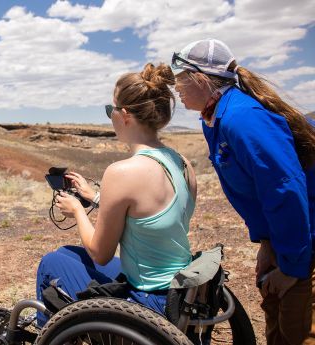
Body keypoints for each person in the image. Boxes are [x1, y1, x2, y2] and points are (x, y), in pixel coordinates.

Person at [171, 38, 315, 345]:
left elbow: (284, 190)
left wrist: (292, 266)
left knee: (299, 330)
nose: (176, 87)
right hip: (289, 240)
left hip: (305, 240)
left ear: (200, 79)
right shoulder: (216, 118)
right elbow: (259, 193)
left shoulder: (242, 118)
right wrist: (266, 244)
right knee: (277, 324)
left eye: (181, 79)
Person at [35, 63, 198, 327]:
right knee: (67, 253)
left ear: (124, 115)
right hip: (178, 290)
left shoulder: (122, 172)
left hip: (149, 299)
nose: (109, 116)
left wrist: (77, 210)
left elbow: (101, 254)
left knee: (51, 262)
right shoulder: (182, 163)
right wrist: (97, 199)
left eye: (109, 109)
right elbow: (152, 217)